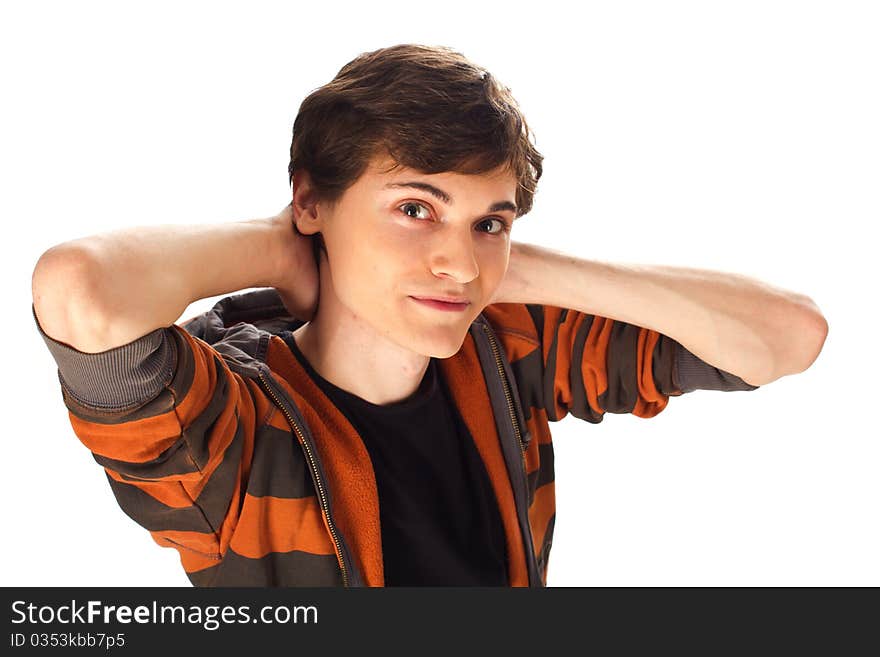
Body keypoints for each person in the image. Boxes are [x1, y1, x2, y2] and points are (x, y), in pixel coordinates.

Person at [30, 43, 828, 587]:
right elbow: (76, 289)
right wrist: (278, 248)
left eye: (492, 220)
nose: (460, 263)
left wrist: (521, 264)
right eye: (416, 207)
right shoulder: (233, 427)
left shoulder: (507, 345)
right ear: (310, 197)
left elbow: (788, 335)